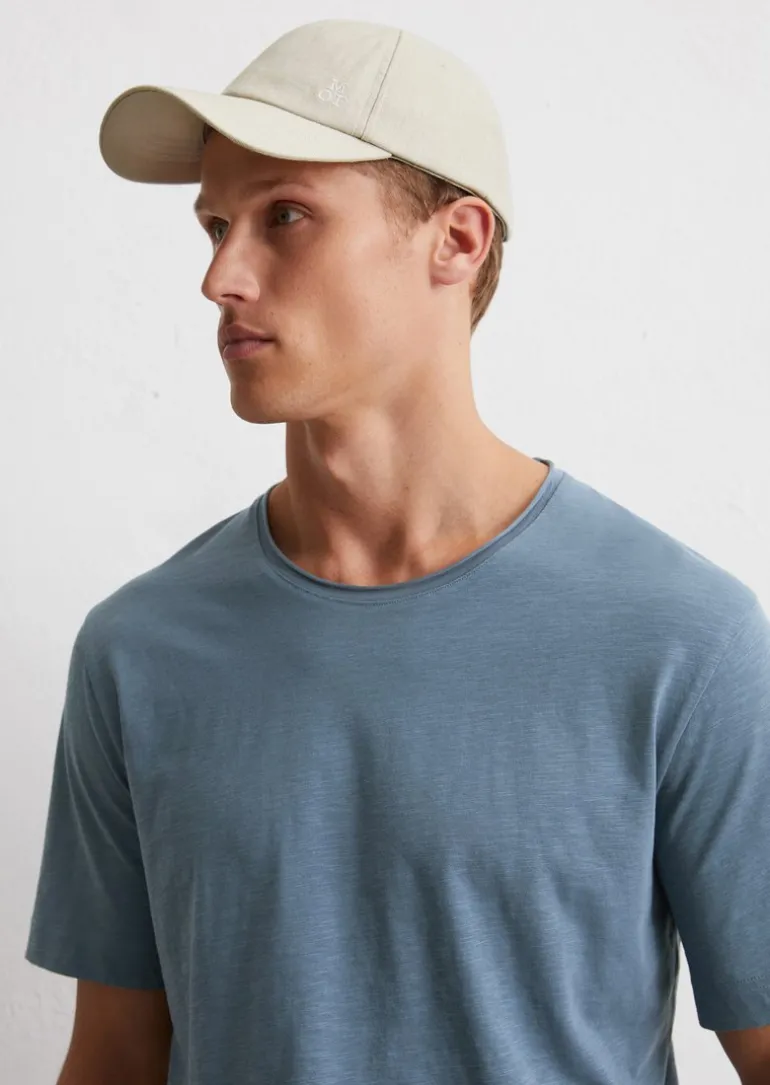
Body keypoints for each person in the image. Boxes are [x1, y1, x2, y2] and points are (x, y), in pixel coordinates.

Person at [25, 18, 770, 1085]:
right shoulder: (137, 650)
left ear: (456, 240)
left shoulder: (682, 639)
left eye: (285, 216)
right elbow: (112, 1057)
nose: (221, 275)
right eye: (215, 226)